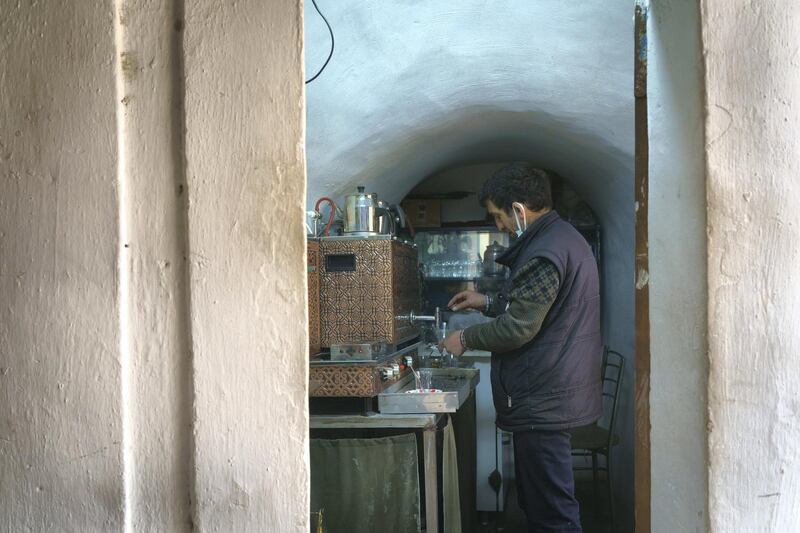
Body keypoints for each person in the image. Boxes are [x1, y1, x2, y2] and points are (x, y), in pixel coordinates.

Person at [438, 163, 601, 533]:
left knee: (552, 513)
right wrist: (485, 301)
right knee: (540, 502)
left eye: (498, 217)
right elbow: (539, 309)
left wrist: (464, 339)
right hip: (551, 392)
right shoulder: (561, 239)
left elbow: (518, 327)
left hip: (545, 398)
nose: (498, 227)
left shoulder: (545, 251)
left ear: (518, 209)